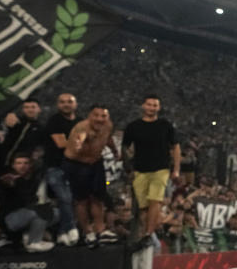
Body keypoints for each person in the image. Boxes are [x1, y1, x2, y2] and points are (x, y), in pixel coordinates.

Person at [123, 94, 180, 248]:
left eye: (155, 105)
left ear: (159, 108)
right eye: (149, 105)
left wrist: (176, 169)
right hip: (140, 170)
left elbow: (175, 147)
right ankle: (150, 236)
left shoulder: (165, 125)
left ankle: (148, 234)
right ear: (143, 106)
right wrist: (128, 167)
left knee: (155, 200)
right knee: (143, 208)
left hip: (160, 169)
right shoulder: (133, 126)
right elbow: (125, 147)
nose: (152, 108)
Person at [63, 105, 119, 248]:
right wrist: (79, 144)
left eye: (103, 116)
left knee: (98, 198)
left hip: (96, 163)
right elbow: (79, 139)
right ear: (90, 116)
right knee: (81, 201)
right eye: (96, 115)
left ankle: (100, 230)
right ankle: (88, 232)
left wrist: (114, 150)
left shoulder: (108, 125)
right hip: (77, 164)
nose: (100, 119)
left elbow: (107, 138)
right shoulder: (82, 128)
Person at [42, 93, 81, 246]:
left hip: (74, 168)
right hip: (55, 167)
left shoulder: (80, 122)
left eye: (69, 102)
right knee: (64, 199)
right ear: (58, 105)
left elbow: (79, 144)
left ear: (75, 104)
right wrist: (77, 144)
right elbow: (62, 144)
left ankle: (61, 233)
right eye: (62, 102)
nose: (66, 105)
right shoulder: (54, 121)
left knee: (70, 201)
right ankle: (71, 228)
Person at [0, 152, 54, 252]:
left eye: (25, 163)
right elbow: (9, 186)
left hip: (27, 214)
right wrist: (10, 183)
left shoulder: (33, 179)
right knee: (40, 211)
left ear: (30, 165)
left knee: (56, 213)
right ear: (13, 165)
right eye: (19, 163)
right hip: (10, 220)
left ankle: (30, 234)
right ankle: (34, 242)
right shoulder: (9, 179)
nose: (22, 166)